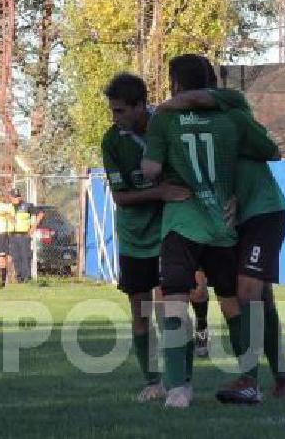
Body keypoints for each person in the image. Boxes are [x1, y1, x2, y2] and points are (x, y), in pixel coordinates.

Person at [154, 54, 285, 402]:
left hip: (261, 211)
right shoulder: (195, 123)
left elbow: (272, 151)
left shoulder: (231, 111)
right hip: (227, 218)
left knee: (248, 292)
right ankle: (282, 378)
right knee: (258, 296)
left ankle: (250, 379)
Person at [100, 72, 193, 403]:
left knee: (172, 309)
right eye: (112, 111)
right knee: (140, 312)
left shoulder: (165, 126)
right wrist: (161, 191)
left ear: (141, 106)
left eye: (121, 111)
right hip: (133, 237)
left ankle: (181, 379)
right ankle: (152, 381)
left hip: (168, 233)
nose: (116, 118)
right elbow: (121, 198)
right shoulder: (112, 142)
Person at [8, 188, 43, 283]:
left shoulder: (27, 206)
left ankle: (27, 278)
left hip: (24, 235)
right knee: (16, 258)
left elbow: (40, 214)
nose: (17, 199)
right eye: (15, 197)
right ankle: (19, 278)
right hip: (12, 236)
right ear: (10, 197)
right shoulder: (8, 207)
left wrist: (33, 227)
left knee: (25, 257)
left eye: (18, 196)